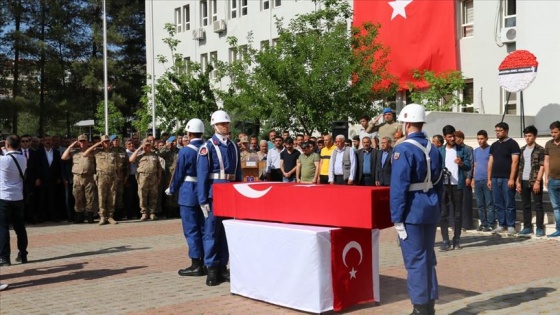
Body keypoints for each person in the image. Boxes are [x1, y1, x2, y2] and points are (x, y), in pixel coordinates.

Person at [390, 104, 444, 315]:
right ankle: (429, 305)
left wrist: (396, 218)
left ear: (407, 123)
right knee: (427, 258)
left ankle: (420, 308)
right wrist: (436, 205)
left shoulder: (403, 149)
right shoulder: (434, 149)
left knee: (415, 260)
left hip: (412, 211)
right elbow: (439, 182)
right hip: (430, 207)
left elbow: (398, 187)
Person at [197, 110, 241, 286]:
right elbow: (201, 176)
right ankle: (212, 268)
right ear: (214, 126)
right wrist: (202, 200)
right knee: (211, 232)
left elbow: (238, 172)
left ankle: (223, 266)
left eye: (227, 124)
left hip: (230, 193)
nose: (225, 126)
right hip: (214, 194)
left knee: (226, 231)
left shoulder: (233, 146)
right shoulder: (207, 147)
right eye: (222, 124)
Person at [168, 118, 207, 277]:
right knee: (204, 229)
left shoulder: (185, 151)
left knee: (191, 230)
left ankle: (196, 264)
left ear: (189, 133)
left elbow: (179, 174)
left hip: (189, 192)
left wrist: (172, 189)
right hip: (205, 192)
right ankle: (206, 262)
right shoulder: (207, 148)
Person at [438, 125, 470, 251]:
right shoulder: (440, 151)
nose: (452, 139)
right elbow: (435, 167)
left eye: (453, 136)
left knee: (457, 213)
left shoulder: (462, 150)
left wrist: (461, 163)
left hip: (458, 185)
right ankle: (445, 240)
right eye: (449, 136)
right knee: (443, 213)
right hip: (444, 185)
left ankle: (456, 239)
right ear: (445, 137)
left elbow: (468, 166)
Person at [0, 134, 29, 266]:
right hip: (18, 197)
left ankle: (5, 258)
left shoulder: (3, 160)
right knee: (20, 227)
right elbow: (10, 155)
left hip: (4, 197)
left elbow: (6, 157)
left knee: (3, 228)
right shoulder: (23, 158)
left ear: (6, 144)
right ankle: (23, 254)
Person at [488, 122, 520, 236]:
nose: (497, 132)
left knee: (509, 203)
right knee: (498, 203)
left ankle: (511, 225)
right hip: (495, 178)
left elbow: (515, 162)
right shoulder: (494, 145)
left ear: (506, 131)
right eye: (496, 130)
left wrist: (512, 178)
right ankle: (501, 224)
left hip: (507, 178)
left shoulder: (513, 144)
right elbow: (490, 162)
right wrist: (489, 179)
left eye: (500, 130)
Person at [84, 135, 121, 225]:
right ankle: (102, 217)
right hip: (101, 176)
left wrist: (118, 175)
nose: (106, 143)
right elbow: (85, 154)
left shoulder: (114, 152)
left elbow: (117, 165)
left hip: (112, 176)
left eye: (108, 141)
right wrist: (96, 145)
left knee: (112, 196)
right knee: (101, 197)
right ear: (101, 142)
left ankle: (110, 216)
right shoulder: (97, 152)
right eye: (104, 141)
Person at [516, 125, 545, 236]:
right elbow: (520, 166)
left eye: (530, 136)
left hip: (535, 181)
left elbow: (542, 166)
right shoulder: (522, 149)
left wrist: (538, 181)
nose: (527, 138)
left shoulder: (540, 149)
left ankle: (539, 228)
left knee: (538, 205)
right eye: (526, 136)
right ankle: (527, 227)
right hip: (523, 180)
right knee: (525, 205)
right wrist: (518, 181)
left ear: (535, 136)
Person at [61, 134, 97, 224]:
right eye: (80, 141)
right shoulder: (74, 152)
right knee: (78, 197)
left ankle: (90, 216)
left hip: (89, 177)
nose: (82, 143)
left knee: (90, 197)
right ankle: (79, 216)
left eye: (84, 141)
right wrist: (70, 146)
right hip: (77, 177)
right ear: (78, 142)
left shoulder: (92, 152)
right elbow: (63, 157)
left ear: (87, 142)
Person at [129, 139, 162, 221]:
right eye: (145, 145)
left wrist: (159, 178)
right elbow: (131, 160)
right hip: (143, 177)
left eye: (148, 145)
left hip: (153, 176)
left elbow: (159, 168)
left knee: (153, 195)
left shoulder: (155, 155)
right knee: (142, 196)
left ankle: (152, 213)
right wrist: (139, 148)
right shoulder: (140, 155)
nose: (147, 147)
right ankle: (144, 213)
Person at [472, 130, 495, 231]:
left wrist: (490, 179)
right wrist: (473, 177)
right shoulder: (476, 150)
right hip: (477, 180)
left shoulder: (491, 149)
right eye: (478, 139)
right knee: (480, 204)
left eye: (482, 139)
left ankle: (491, 223)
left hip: (487, 179)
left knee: (489, 203)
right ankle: (483, 223)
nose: (480, 141)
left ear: (486, 138)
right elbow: (475, 165)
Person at [454, 130, 474, 230]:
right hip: (456, 179)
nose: (454, 139)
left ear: (461, 139)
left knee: (465, 203)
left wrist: (469, 177)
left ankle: (466, 224)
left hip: (465, 178)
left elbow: (471, 164)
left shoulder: (468, 149)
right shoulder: (454, 149)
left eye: (456, 137)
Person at [544, 121, 560, 237]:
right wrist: (546, 177)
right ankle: (559, 229)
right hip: (552, 179)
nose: (553, 134)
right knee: (555, 206)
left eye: (555, 132)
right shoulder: (548, 144)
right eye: (552, 132)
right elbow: (546, 161)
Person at [110, 135, 129, 221]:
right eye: (114, 141)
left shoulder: (123, 150)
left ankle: (119, 214)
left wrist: (126, 177)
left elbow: (127, 164)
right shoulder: (108, 150)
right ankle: (111, 214)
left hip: (121, 177)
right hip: (110, 176)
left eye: (117, 140)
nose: (115, 142)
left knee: (119, 196)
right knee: (111, 195)